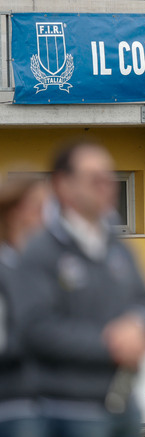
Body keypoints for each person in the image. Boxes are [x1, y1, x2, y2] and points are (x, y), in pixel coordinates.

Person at [15, 141, 145, 437]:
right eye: (95, 179)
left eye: (109, 177)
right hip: (68, 410)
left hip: (124, 405)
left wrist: (139, 323)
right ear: (64, 185)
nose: (107, 186)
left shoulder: (117, 248)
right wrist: (110, 343)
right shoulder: (41, 252)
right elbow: (37, 328)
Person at [0, 175, 48, 437]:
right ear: (15, 212)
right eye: (39, 207)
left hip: (46, 401)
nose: (47, 217)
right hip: (12, 403)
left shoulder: (39, 268)